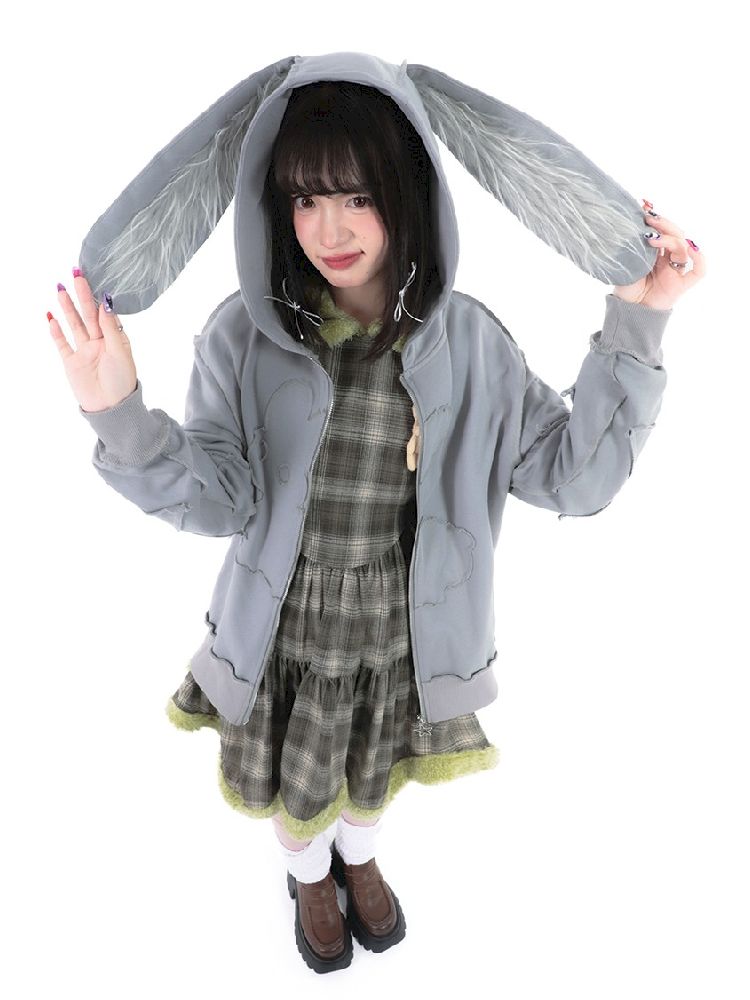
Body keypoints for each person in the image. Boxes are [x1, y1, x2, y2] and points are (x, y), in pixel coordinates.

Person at [46, 53, 704, 975]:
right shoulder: (242, 337)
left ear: (411, 191)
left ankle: (356, 855)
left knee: (371, 776)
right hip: (287, 628)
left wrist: (641, 320)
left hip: (403, 629)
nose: (331, 229)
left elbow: (576, 478)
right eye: (306, 198)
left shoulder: (473, 345)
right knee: (298, 787)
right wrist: (117, 411)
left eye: (359, 195)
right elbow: (219, 498)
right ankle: (308, 873)